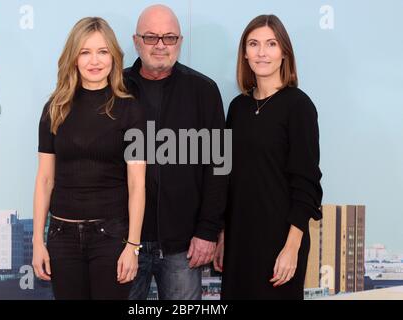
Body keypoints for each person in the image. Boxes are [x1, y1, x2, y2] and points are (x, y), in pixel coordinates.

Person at [32, 17, 146, 300]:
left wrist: (132, 246)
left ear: (113, 57)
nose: (94, 61)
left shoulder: (132, 111)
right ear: (73, 58)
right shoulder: (54, 109)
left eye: (102, 51)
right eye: (85, 52)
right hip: (61, 239)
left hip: (111, 238)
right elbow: (45, 180)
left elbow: (137, 185)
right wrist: (37, 240)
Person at [214, 14, 323, 300]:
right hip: (239, 238)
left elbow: (307, 183)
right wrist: (223, 235)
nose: (262, 52)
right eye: (253, 44)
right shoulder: (237, 108)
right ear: (245, 54)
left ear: (284, 52)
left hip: (280, 240)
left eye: (271, 44)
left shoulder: (298, 106)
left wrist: (292, 248)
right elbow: (226, 176)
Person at [125, 5, 227, 300]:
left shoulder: (204, 91)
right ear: (135, 41)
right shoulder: (115, 89)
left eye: (169, 38)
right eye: (151, 37)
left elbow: (219, 167)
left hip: (184, 246)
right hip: (125, 243)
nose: (160, 45)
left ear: (180, 42)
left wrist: (208, 231)